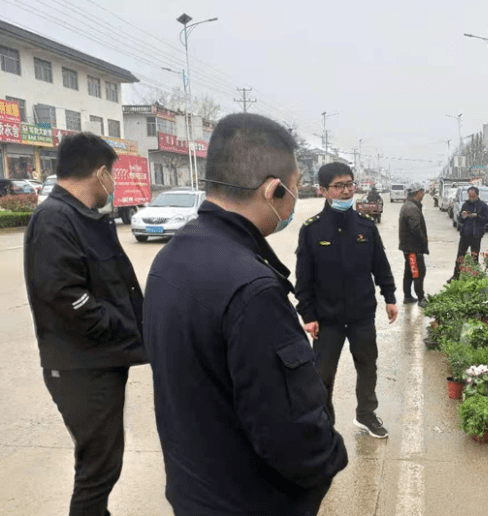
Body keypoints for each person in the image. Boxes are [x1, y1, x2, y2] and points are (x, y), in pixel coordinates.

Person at [143, 114, 347, 516]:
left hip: (194, 491)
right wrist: (331, 455)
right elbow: (291, 433)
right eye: (295, 185)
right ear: (274, 190)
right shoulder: (251, 288)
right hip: (247, 500)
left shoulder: (171, 258)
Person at [23, 133, 148, 516]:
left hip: (96, 361)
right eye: (111, 173)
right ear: (99, 172)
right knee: (98, 469)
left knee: (101, 464)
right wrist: (120, 325)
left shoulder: (78, 215)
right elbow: (66, 297)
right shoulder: (55, 219)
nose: (112, 182)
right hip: (82, 366)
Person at [295, 162, 398, 438]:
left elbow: (381, 264)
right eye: (338, 186)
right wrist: (308, 315)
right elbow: (303, 279)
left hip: (361, 315)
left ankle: (365, 415)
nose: (345, 191)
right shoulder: (312, 230)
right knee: (323, 375)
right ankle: (324, 422)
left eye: (349, 185)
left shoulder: (365, 226)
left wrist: (390, 296)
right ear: (324, 191)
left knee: (367, 366)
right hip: (326, 319)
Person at [399, 182, 429, 307]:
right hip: (413, 248)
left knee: (409, 272)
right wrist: (423, 243)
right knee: (418, 272)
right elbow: (416, 229)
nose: (424, 194)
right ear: (418, 193)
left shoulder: (408, 205)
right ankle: (421, 298)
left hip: (408, 247)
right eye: (423, 192)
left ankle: (407, 296)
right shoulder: (411, 208)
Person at [451, 186, 488, 279]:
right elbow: (459, 220)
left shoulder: (483, 206)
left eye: (473, 196)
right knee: (460, 256)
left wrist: (477, 216)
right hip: (465, 234)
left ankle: (474, 277)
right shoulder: (465, 205)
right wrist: (463, 216)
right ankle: (456, 276)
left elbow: (486, 220)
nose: (471, 198)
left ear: (477, 195)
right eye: (470, 196)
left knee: (474, 257)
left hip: (476, 235)